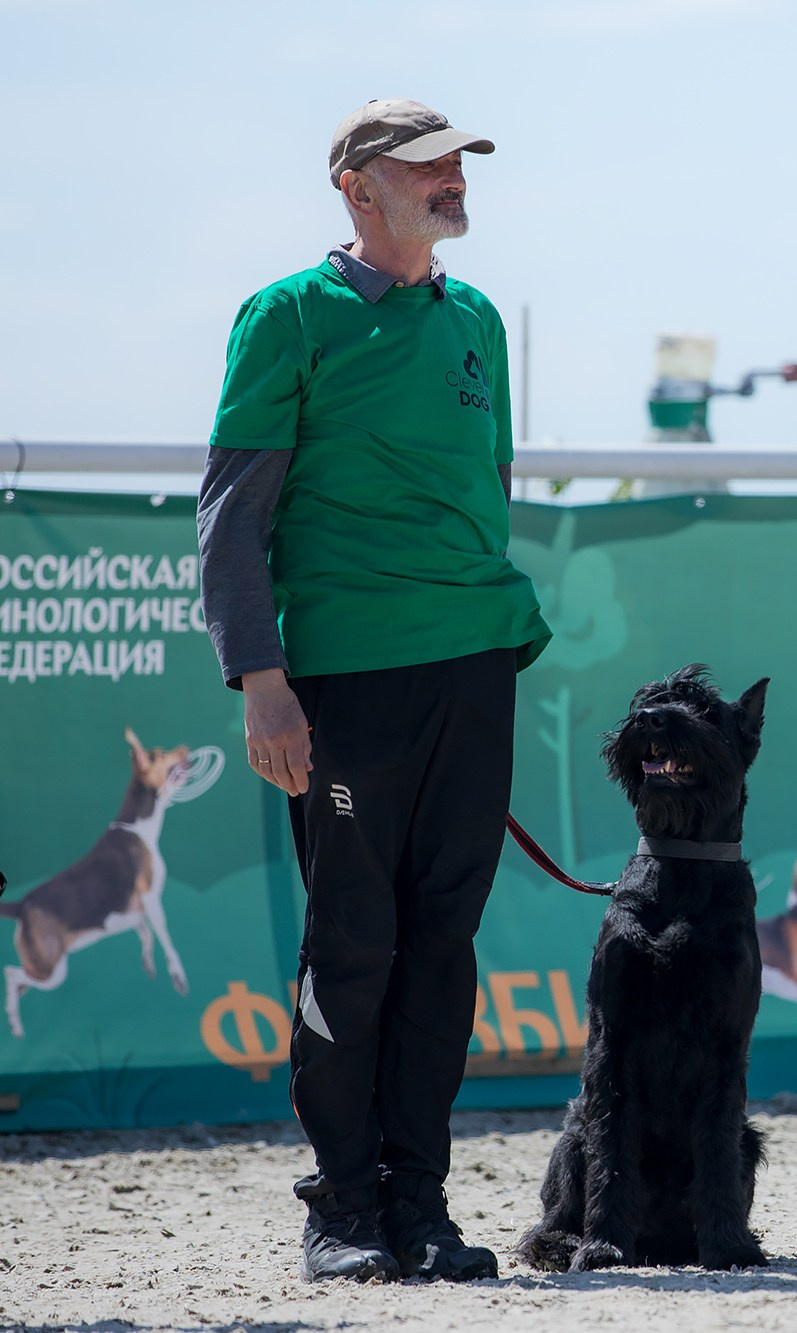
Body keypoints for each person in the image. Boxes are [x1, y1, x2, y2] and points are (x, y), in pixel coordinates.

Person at [196, 99, 549, 1282]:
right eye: (426, 167)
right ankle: (341, 1207)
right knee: (354, 941)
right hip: (342, 677)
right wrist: (260, 677)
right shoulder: (287, 314)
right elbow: (233, 521)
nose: (453, 181)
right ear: (356, 187)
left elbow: (486, 486)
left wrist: (485, 646)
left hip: (473, 662)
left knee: (443, 944)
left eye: (458, 163)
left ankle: (422, 1203)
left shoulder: (477, 319)